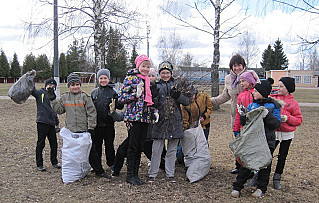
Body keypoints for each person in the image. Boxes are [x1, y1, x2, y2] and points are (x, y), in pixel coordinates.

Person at [48, 73, 110, 178]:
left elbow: (92, 113)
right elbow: (59, 110)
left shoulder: (85, 97)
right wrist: (53, 99)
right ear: (69, 86)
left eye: (77, 84)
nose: (75, 87)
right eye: (72, 84)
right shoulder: (65, 97)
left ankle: (99, 171)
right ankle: (76, 171)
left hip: (84, 130)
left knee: (91, 152)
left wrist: (91, 128)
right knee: (73, 153)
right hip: (71, 131)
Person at [231, 80, 282, 198]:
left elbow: (276, 123)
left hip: (267, 141)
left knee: (265, 165)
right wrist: (243, 115)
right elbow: (246, 124)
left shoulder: (274, 106)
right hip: (252, 141)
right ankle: (237, 187)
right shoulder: (251, 105)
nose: (253, 93)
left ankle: (261, 188)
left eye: (256, 91)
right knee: (246, 164)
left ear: (263, 93)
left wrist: (267, 116)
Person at [210, 54, 259, 174]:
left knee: (250, 143)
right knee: (238, 142)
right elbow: (225, 96)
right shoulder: (228, 79)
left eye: (239, 65)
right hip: (235, 116)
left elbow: (259, 90)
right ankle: (239, 166)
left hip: (250, 116)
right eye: (234, 66)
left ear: (244, 66)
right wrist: (208, 101)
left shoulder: (250, 75)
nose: (237, 68)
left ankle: (252, 168)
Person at [148, 61, 190, 183]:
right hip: (160, 121)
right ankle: (153, 173)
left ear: (170, 73)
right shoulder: (155, 85)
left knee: (172, 150)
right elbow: (152, 104)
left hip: (175, 121)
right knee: (156, 149)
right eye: (162, 73)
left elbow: (187, 101)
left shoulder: (177, 85)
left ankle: (170, 173)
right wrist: (154, 95)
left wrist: (178, 96)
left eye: (167, 73)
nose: (165, 75)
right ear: (159, 74)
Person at [118, 55, 154, 186]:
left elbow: (148, 101)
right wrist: (135, 95)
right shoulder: (131, 78)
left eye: (148, 66)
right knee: (132, 146)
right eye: (143, 66)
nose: (145, 69)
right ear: (138, 65)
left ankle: (135, 175)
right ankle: (130, 175)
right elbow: (121, 98)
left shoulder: (147, 80)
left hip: (144, 117)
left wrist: (153, 111)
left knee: (140, 146)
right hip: (133, 117)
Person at [270, 77, 303, 190]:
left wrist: (287, 118)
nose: (278, 88)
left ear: (288, 88)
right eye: (277, 86)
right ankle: (259, 176)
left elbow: (299, 120)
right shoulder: (272, 98)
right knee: (267, 155)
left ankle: (277, 178)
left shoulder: (293, 103)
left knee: (282, 157)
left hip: (287, 135)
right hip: (273, 132)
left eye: (281, 86)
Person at [91, 69, 124, 173]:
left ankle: (111, 163)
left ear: (108, 79)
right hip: (97, 124)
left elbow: (119, 106)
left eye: (105, 78)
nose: (103, 80)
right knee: (97, 146)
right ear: (98, 79)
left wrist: (120, 99)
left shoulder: (113, 92)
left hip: (109, 124)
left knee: (109, 145)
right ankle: (97, 165)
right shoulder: (94, 92)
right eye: (101, 78)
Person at [31, 78, 61, 172]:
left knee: (54, 144)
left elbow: (54, 110)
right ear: (46, 86)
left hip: (51, 123)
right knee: (41, 143)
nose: (51, 87)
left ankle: (54, 162)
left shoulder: (53, 97)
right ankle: (39, 164)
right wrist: (30, 79)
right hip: (42, 122)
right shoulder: (40, 93)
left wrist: (56, 122)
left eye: (53, 86)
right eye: (49, 85)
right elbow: (32, 90)